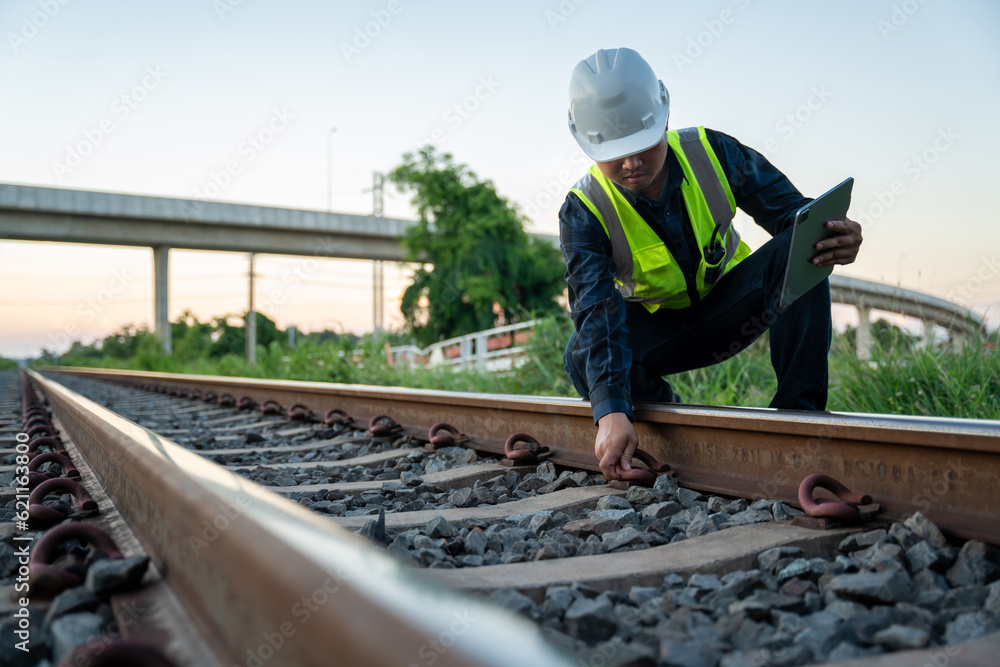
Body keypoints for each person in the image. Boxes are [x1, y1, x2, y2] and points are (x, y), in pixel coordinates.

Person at [559, 48, 862, 481]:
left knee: (804, 241)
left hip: (732, 308)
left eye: (642, 146)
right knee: (579, 355)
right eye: (613, 153)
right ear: (586, 144)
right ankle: (673, 416)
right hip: (660, 333)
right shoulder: (583, 210)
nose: (631, 163)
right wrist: (609, 411)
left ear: (664, 118)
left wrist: (836, 234)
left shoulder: (711, 151)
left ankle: (799, 417)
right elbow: (595, 311)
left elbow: (797, 217)